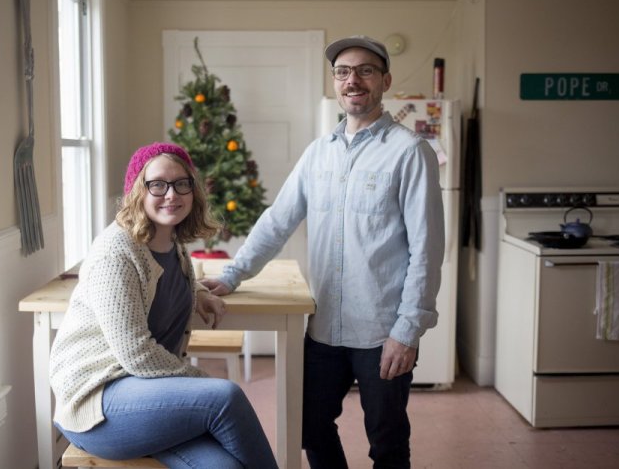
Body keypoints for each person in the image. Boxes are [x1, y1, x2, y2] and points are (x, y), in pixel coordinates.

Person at [201, 35, 444, 468]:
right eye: (343, 72)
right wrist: (234, 273)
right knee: (309, 426)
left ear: (384, 80)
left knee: (386, 441)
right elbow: (278, 220)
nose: (353, 80)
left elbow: (427, 249)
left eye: (365, 70)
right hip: (324, 329)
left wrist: (408, 330)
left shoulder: (411, 152)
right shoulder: (318, 154)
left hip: (382, 329)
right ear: (335, 83)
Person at [49, 142, 278, 469]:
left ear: (192, 192)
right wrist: (198, 380)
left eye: (181, 184)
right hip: (98, 403)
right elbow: (137, 354)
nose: (171, 194)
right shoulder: (115, 252)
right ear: (137, 191)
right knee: (224, 398)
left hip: (149, 398)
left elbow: (160, 282)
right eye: (157, 184)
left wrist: (197, 291)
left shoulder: (172, 244)